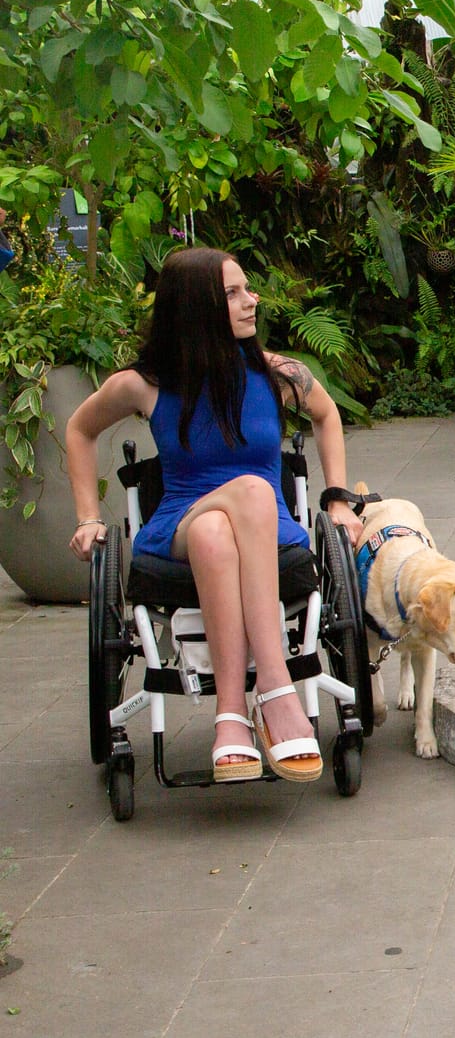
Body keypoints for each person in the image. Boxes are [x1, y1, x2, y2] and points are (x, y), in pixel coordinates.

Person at [64, 248, 366, 782]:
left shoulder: (276, 373)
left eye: (247, 289)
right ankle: (274, 689)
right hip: (177, 519)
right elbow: (80, 430)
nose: (252, 301)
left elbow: (327, 415)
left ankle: (232, 713)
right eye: (233, 293)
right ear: (195, 307)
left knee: (218, 530)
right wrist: (88, 516)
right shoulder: (146, 383)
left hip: (246, 528)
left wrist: (338, 500)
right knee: (246, 492)